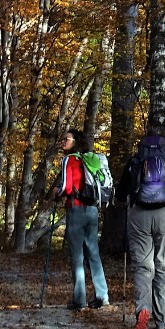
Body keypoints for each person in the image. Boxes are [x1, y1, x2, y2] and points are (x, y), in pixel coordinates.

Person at [125, 123, 165, 329]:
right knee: (163, 267)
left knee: (143, 267)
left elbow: (122, 191)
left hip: (139, 214)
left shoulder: (136, 161)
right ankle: (162, 320)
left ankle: (143, 311)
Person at [57, 128, 109, 311]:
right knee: (93, 253)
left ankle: (79, 300)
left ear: (75, 141)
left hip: (76, 209)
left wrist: (57, 193)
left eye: (66, 139)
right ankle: (102, 296)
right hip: (92, 209)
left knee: (77, 256)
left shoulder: (69, 160)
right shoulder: (90, 159)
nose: (63, 142)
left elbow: (66, 186)